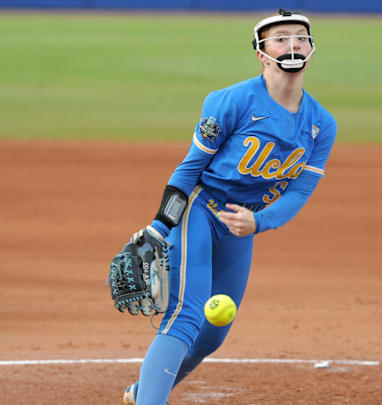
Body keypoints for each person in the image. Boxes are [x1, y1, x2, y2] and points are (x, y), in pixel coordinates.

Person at [120, 9, 337, 405]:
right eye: (281, 38)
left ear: (312, 49)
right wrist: (160, 226)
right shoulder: (230, 102)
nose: (293, 45)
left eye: (301, 38)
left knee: (212, 334)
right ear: (261, 52)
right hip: (200, 211)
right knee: (185, 315)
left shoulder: (322, 123)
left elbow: (299, 192)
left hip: (242, 225)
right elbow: (189, 170)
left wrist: (259, 222)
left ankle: (145, 392)